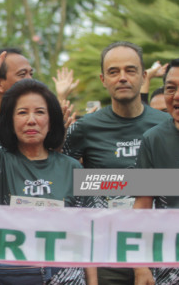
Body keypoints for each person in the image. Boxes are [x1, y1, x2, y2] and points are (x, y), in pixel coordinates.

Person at [0, 37, 87, 284]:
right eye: (22, 113)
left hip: (66, 276)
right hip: (12, 275)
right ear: (9, 121)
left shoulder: (72, 167)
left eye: (40, 112)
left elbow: (90, 227)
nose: (31, 120)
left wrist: (166, 182)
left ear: (52, 120)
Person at [63, 41, 170, 284]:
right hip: (106, 253)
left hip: (161, 251)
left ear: (144, 77)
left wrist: (101, 182)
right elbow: (68, 184)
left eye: (130, 70)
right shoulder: (83, 128)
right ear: (103, 79)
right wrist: (149, 183)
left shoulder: (166, 125)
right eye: (113, 72)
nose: (122, 78)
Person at [133, 59, 179, 285]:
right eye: (171, 88)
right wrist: (140, 267)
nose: (177, 96)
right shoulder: (153, 139)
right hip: (168, 264)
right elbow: (142, 207)